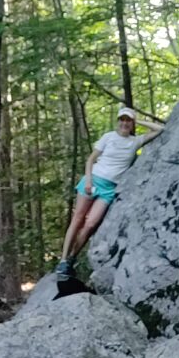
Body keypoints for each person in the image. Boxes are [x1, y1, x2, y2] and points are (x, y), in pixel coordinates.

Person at [55, 106, 164, 280]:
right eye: (122, 119)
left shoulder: (135, 141)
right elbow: (91, 159)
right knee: (78, 219)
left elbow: (160, 129)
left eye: (128, 120)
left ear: (132, 123)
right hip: (93, 180)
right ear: (118, 121)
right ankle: (62, 261)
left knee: (90, 224)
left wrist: (138, 120)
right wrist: (89, 180)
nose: (124, 123)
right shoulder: (108, 137)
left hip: (109, 189)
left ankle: (71, 258)